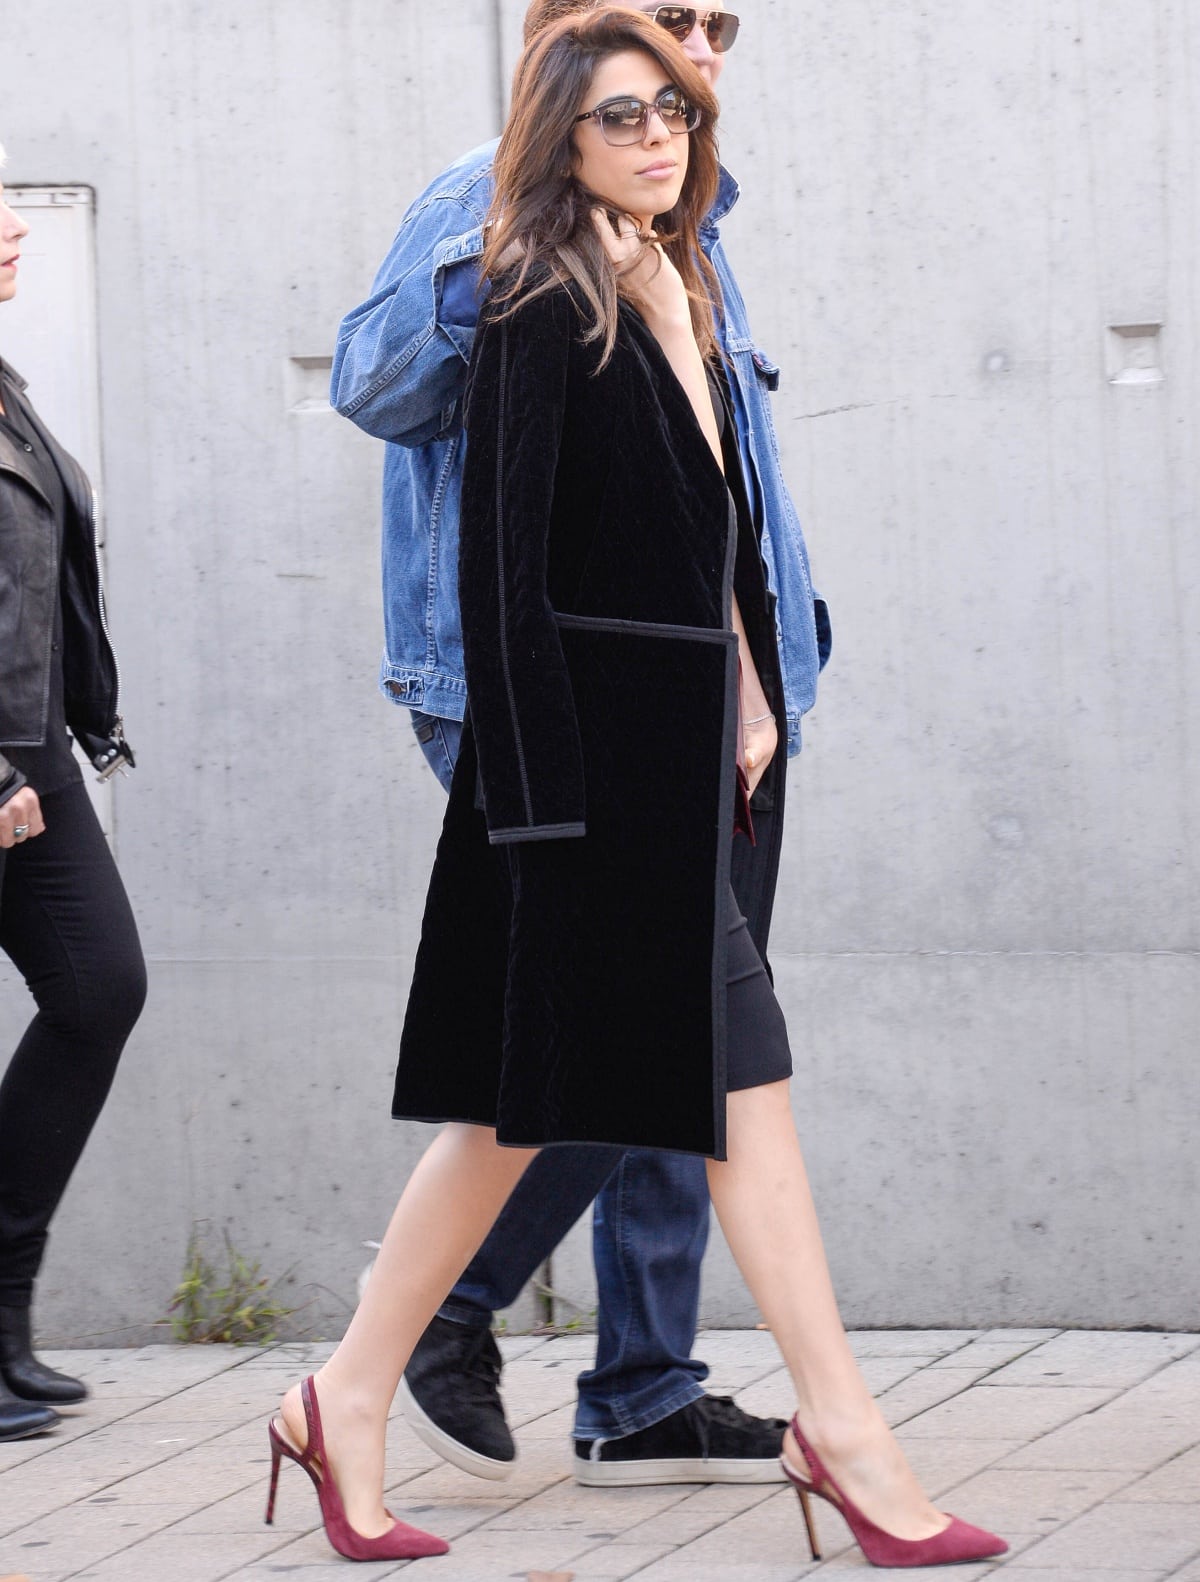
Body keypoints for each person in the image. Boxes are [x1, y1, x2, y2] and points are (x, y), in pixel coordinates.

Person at [271, 12, 1007, 1569]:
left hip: (690, 750)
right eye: (627, 110)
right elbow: (500, 568)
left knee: (545, 1110)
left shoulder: (679, 275)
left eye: (679, 103)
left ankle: (342, 1393)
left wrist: (752, 698)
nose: (666, 127)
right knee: (705, 1090)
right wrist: (533, 803)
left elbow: (715, 529)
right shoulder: (529, 285)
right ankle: (847, 1433)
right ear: (564, 128)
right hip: (588, 770)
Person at [332, 0, 829, 1488]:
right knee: (645, 1030)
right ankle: (443, 1315)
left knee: (690, 1036)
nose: (697, 51)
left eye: (714, 23)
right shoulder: (488, 195)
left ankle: (640, 1378)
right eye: (665, 23)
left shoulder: (689, 217)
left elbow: (706, 488)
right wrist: (516, 231)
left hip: (726, 696)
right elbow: (378, 385)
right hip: (568, 699)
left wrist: (760, 669)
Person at [0, 152, 146, 1443]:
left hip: (31, 736)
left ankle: (1, 1305)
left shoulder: (3, 385)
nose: (6, 232)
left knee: (101, 987)